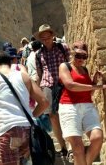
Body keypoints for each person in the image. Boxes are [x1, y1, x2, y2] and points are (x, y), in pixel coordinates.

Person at [0, 51, 49, 165]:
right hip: (28, 130)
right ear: (11, 63)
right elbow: (44, 102)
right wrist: (29, 117)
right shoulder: (24, 77)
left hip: (8, 131)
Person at [58, 41, 106, 165]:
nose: (81, 59)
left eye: (84, 56)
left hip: (87, 106)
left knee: (97, 138)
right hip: (69, 106)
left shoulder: (85, 69)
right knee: (77, 146)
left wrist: (95, 81)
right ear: (71, 53)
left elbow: (88, 92)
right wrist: (96, 87)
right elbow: (70, 85)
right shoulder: (65, 66)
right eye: (78, 56)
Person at [35, 24, 70, 158]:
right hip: (47, 86)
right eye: (42, 38)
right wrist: (38, 91)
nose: (45, 40)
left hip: (63, 84)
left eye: (47, 37)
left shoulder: (63, 48)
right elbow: (39, 73)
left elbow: (70, 65)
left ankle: (71, 144)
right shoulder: (39, 54)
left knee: (66, 113)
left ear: (52, 35)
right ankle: (63, 147)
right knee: (53, 117)